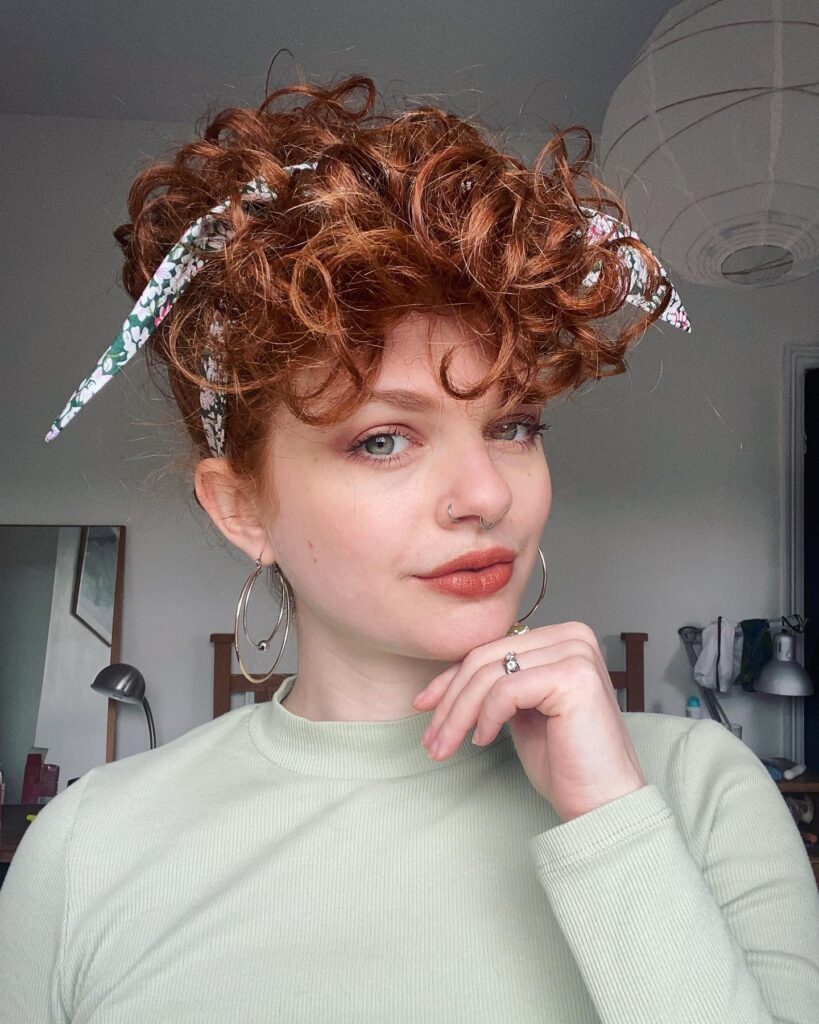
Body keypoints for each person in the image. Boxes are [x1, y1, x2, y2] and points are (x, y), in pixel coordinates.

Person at [1, 72, 817, 1023]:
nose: (484, 496)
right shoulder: (89, 850)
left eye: (513, 425)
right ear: (241, 511)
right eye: (381, 439)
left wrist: (612, 825)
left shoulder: (699, 792)